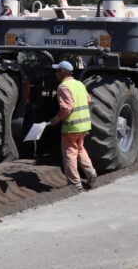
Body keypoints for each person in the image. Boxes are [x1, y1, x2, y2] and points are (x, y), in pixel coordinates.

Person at [49, 61, 98, 191]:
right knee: (80, 149)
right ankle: (91, 173)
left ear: (63, 72)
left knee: (70, 154)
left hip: (71, 127)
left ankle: (74, 184)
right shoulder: (80, 84)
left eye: (57, 71)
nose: (56, 73)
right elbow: (88, 100)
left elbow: (67, 109)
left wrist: (56, 119)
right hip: (83, 125)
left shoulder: (63, 87)